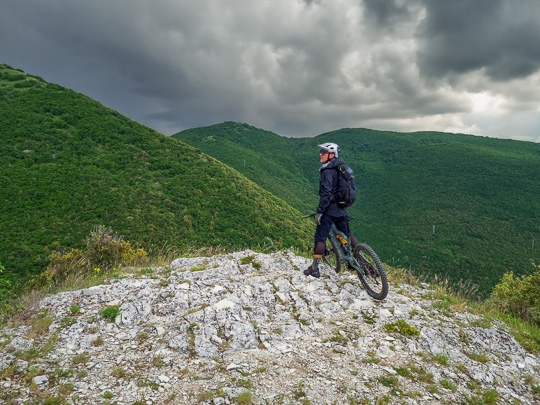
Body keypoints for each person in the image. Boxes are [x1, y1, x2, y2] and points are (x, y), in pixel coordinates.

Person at [304, 142, 358, 278]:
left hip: (330, 211)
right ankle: (357, 260)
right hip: (342, 209)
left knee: (320, 238)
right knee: (347, 234)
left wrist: (320, 212)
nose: (320, 155)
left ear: (331, 155)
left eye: (323, 152)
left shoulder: (327, 171)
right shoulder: (342, 168)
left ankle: (314, 269)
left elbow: (326, 194)